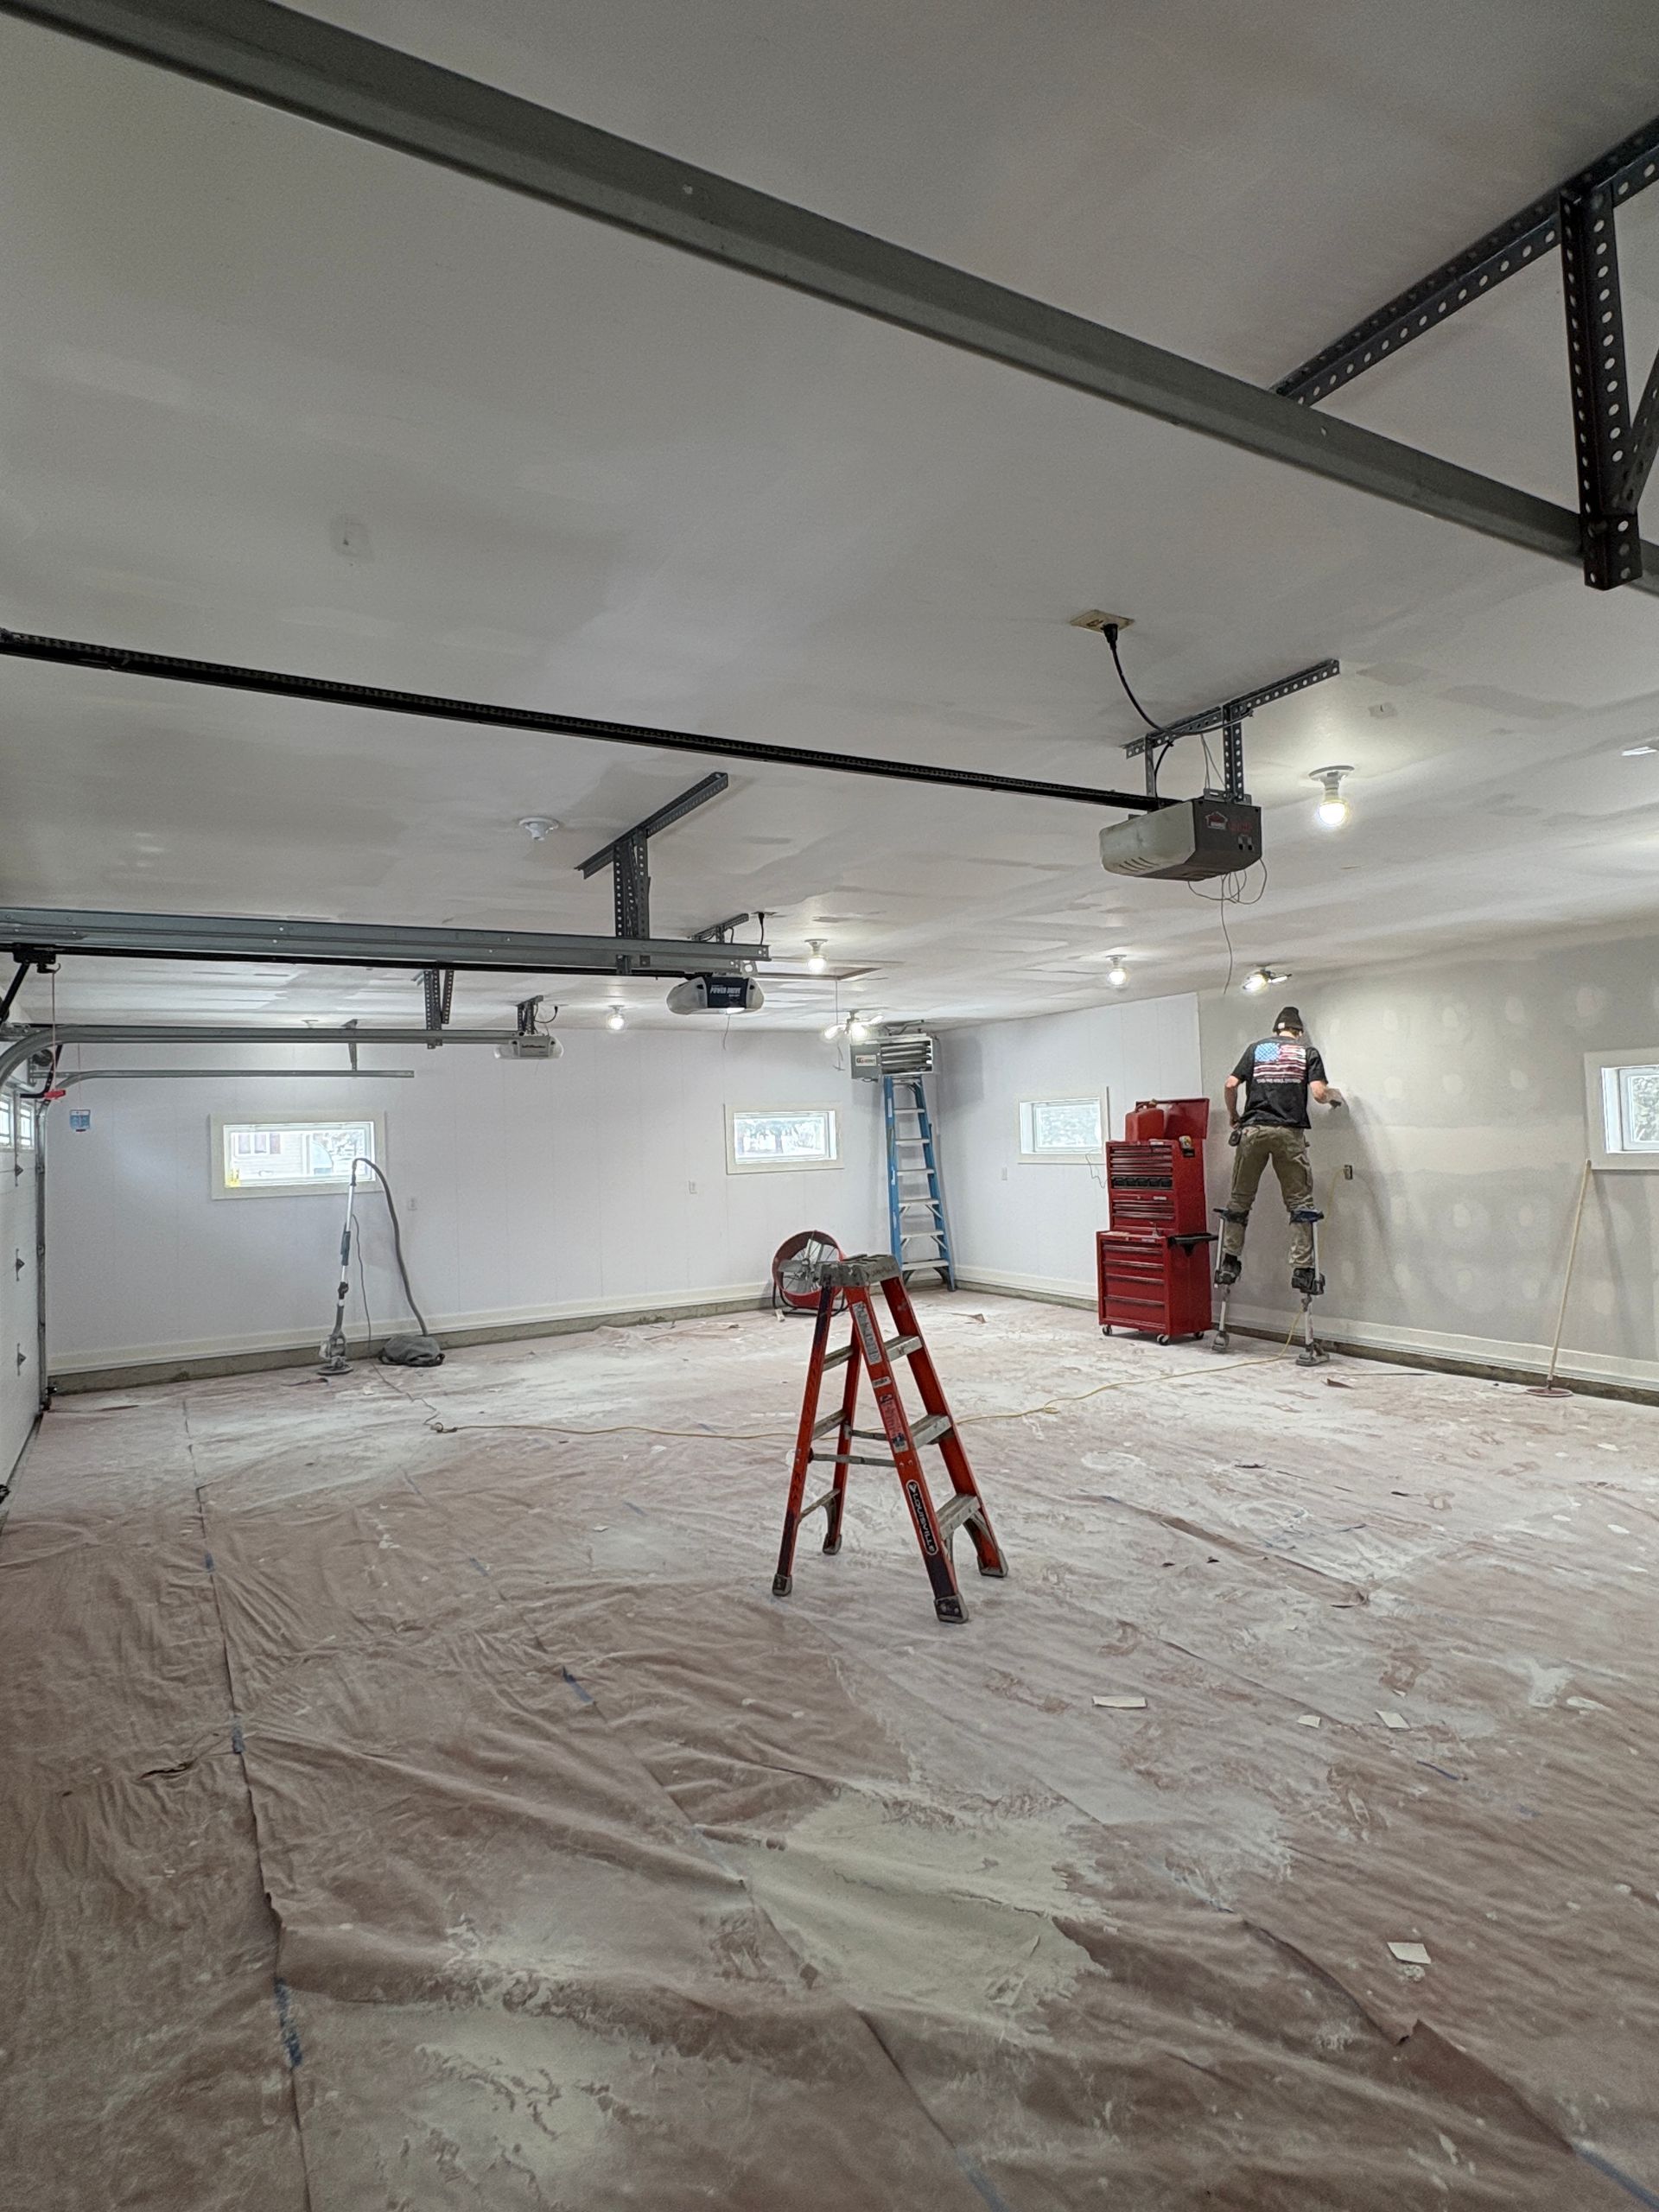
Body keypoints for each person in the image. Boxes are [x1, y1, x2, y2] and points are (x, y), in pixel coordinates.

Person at [1216, 1006, 1342, 1294]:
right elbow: (1319, 1093)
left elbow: (1230, 1084)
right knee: (1299, 1201)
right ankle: (1302, 1270)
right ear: (1299, 1032)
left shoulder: (1258, 1050)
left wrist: (1234, 1115)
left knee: (1240, 1198)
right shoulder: (1306, 1052)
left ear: (1276, 1030)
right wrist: (1336, 1098)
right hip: (1288, 1133)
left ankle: (1229, 1262)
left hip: (1253, 1131)